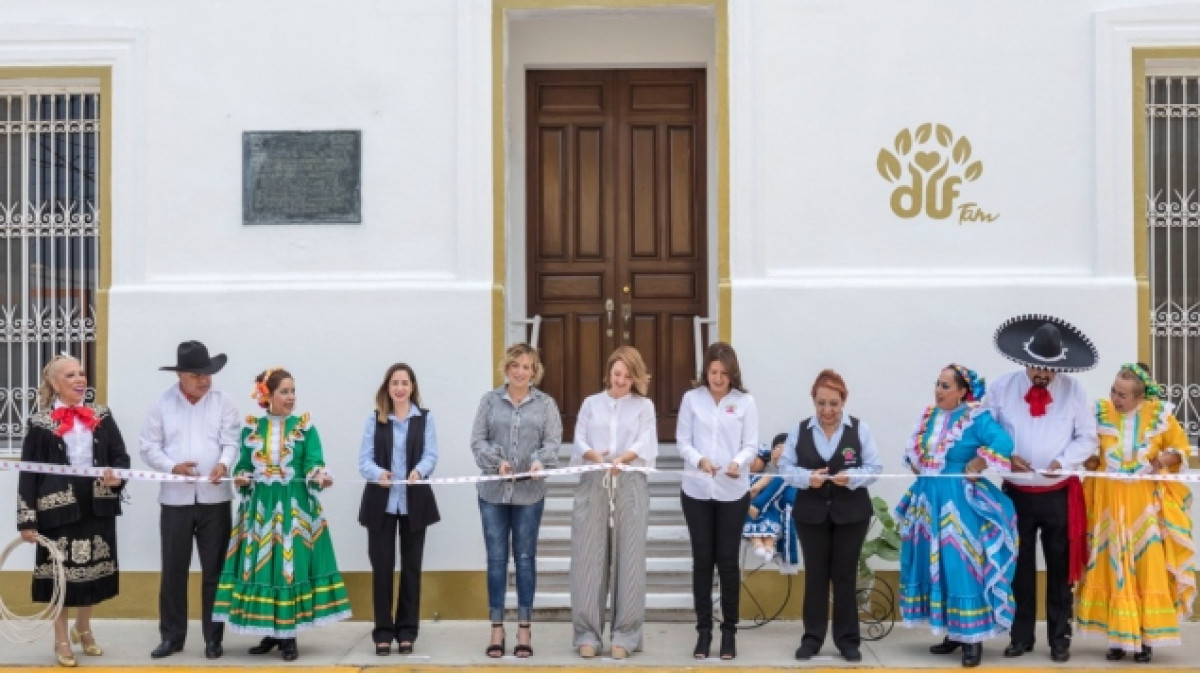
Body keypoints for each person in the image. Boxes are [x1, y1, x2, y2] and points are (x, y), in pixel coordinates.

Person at [212, 368, 352, 661]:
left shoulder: (305, 428)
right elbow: (245, 465)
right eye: (284, 392)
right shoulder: (252, 430)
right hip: (261, 511)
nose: (291, 398)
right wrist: (241, 476)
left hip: (295, 509)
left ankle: (288, 637)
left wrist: (319, 475)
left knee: (289, 569)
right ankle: (270, 632)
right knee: (265, 567)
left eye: (292, 391)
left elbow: (314, 462)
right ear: (268, 396)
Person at [987, 315, 1099, 663]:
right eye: (1036, 368)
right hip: (1016, 492)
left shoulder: (1075, 392)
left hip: (1058, 494)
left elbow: (1088, 437)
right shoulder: (1002, 388)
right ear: (1024, 361)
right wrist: (1006, 457)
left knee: (1059, 569)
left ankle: (1059, 638)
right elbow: (986, 432)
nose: (1042, 375)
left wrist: (1063, 463)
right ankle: (1020, 637)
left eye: (1049, 370)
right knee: (1018, 567)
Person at [894, 365, 1017, 668]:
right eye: (938, 384)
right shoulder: (929, 417)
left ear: (963, 392)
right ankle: (953, 631)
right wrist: (919, 464)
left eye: (946, 386)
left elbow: (1003, 443)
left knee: (961, 564)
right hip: (928, 501)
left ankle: (972, 639)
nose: (939, 390)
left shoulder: (976, 417)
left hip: (958, 503)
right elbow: (915, 455)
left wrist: (977, 463)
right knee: (936, 565)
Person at [1076, 363, 1197, 663]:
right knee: (1110, 567)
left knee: (1146, 568)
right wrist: (1090, 461)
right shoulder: (1100, 413)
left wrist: (1166, 458)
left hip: (1144, 507)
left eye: (1124, 395)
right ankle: (1117, 637)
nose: (1116, 399)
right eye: (1114, 391)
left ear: (1140, 397)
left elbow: (1180, 451)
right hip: (1108, 506)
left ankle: (1145, 638)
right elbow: (1092, 453)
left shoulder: (1160, 416)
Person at [17, 354, 129, 668]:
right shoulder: (40, 423)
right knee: (60, 579)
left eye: (82, 373)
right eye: (70, 375)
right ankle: (61, 639)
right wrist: (26, 520)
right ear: (54, 383)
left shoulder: (102, 415)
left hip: (97, 505)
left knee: (92, 571)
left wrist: (117, 475)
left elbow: (120, 456)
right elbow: (29, 474)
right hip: (56, 510)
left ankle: (84, 628)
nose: (80, 379)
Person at [139, 341, 240, 660]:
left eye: (208, 374)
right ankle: (172, 637)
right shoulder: (162, 404)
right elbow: (148, 446)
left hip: (215, 499)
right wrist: (172, 467)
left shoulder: (223, 403)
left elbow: (232, 440)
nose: (205, 380)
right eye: (197, 374)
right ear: (181, 374)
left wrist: (224, 463)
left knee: (215, 571)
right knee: (173, 570)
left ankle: (214, 638)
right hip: (176, 500)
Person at [779, 368, 881, 663]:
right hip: (811, 515)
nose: (827, 410)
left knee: (845, 576)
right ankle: (811, 639)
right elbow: (786, 468)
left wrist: (851, 477)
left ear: (843, 402)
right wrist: (806, 477)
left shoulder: (860, 429)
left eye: (833, 404)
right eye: (821, 403)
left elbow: (874, 469)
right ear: (814, 401)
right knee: (816, 576)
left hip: (851, 514)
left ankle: (848, 641)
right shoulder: (800, 430)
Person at [470, 342, 562, 659]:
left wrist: (538, 463)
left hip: (529, 494)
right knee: (496, 560)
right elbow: (478, 440)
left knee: (524, 559)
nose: (522, 371)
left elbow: (552, 443)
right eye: (516, 365)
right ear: (506, 368)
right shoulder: (489, 401)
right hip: (493, 493)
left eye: (528, 367)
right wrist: (497, 463)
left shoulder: (546, 404)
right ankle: (497, 627)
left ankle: (524, 627)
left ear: (534, 372)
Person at [569, 346, 657, 660]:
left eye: (627, 375)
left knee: (630, 558)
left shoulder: (644, 406)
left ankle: (626, 635)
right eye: (616, 373)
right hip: (594, 479)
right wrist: (595, 456)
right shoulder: (591, 403)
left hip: (630, 480)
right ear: (609, 373)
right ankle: (587, 634)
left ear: (635, 377)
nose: (620, 380)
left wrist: (625, 458)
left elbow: (646, 440)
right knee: (588, 557)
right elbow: (579, 438)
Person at [677, 341, 758, 661]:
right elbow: (683, 441)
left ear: (732, 374)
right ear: (705, 371)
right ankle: (703, 632)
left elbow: (751, 444)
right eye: (713, 372)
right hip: (697, 490)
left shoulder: (745, 402)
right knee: (702, 561)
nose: (718, 378)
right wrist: (700, 461)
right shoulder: (691, 400)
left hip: (732, 493)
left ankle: (728, 633)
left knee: (727, 562)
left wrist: (738, 461)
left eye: (724, 373)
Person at [357, 363, 440, 656]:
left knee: (411, 569)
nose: (400, 388)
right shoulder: (375, 419)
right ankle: (382, 632)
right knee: (382, 569)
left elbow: (431, 454)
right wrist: (378, 473)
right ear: (387, 388)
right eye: (395, 383)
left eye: (405, 383)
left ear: (412, 387)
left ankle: (407, 632)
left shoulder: (424, 419)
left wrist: (419, 471)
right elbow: (364, 460)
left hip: (414, 504)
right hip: (381, 505)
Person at [742, 432, 800, 571]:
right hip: (759, 518)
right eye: (776, 448)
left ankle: (770, 550)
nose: (779, 452)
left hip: (781, 522)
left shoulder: (790, 476)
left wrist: (755, 505)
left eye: (784, 448)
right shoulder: (773, 475)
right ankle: (763, 547)